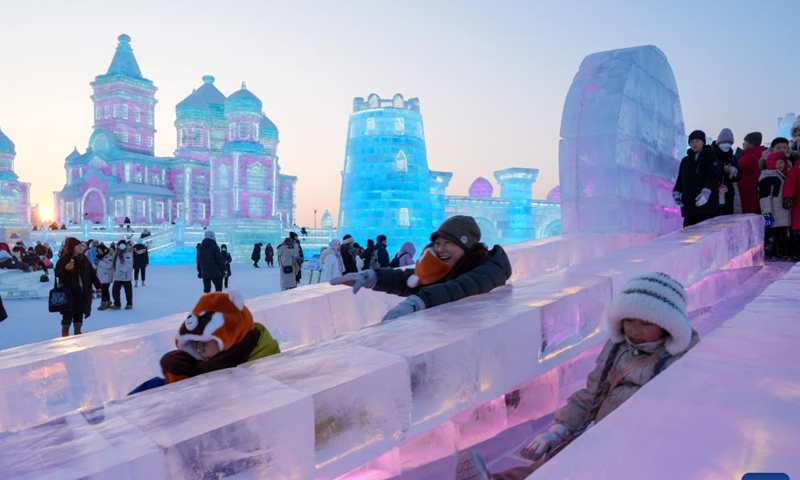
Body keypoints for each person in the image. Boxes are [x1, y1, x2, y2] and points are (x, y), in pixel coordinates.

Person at [455, 272, 700, 480]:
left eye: (646, 323)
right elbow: (590, 395)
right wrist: (560, 430)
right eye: (629, 320)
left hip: (630, 446)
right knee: (545, 467)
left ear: (668, 324)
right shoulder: (617, 348)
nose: (635, 329)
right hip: (597, 433)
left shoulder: (677, 361)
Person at [331, 215, 512, 322]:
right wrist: (374, 277)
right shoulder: (450, 267)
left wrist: (417, 302)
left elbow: (461, 288)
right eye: (437, 243)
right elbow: (413, 278)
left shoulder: (491, 269)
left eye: (448, 243)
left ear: (466, 245)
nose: (440, 249)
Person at [128, 289, 280, 394]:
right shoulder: (213, 363)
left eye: (202, 344)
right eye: (194, 345)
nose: (199, 351)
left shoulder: (260, 367)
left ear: (230, 339)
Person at [673, 130, 722, 227]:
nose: (694, 144)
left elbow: (713, 177)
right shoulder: (685, 161)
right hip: (689, 207)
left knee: (704, 236)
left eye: (697, 141)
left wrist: (706, 193)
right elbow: (680, 179)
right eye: (691, 142)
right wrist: (677, 192)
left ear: (703, 141)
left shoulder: (711, 157)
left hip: (706, 208)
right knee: (687, 237)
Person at [54, 237, 101, 337]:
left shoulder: (83, 258)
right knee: (68, 314)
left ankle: (78, 333)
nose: (81, 248)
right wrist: (65, 269)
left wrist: (98, 286)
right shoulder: (64, 259)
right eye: (78, 246)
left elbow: (92, 273)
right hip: (69, 293)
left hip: (82, 292)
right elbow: (58, 274)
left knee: (79, 313)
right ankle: (65, 333)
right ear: (72, 247)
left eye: (81, 246)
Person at [758, 152, 791, 259]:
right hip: (775, 214)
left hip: (782, 214)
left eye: (782, 162)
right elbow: (765, 197)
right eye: (776, 163)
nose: (779, 165)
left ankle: (780, 253)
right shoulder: (769, 177)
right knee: (773, 235)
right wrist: (767, 213)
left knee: (782, 235)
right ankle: (771, 253)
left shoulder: (782, 176)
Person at [711, 128, 739, 215]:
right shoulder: (710, 155)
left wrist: (735, 172)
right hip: (712, 195)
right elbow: (709, 172)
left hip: (728, 195)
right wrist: (723, 170)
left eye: (730, 142)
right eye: (724, 142)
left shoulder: (732, 157)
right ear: (718, 142)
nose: (727, 144)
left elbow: (739, 176)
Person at [737, 132, 766, 215]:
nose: (743, 143)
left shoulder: (750, 156)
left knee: (749, 216)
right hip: (754, 191)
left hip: (748, 191)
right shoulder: (759, 154)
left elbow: (737, 167)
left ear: (752, 143)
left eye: (745, 141)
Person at [110, 240, 134, 310]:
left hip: (126, 276)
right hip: (118, 276)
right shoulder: (117, 253)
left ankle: (129, 304)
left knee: (128, 291)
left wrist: (122, 271)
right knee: (115, 290)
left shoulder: (128, 253)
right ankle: (117, 304)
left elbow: (128, 264)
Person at [95, 243, 113, 310]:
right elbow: (96, 266)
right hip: (101, 276)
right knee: (105, 289)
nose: (99, 252)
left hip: (107, 276)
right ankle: (108, 302)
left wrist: (99, 262)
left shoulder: (109, 256)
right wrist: (95, 263)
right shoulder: (98, 256)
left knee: (104, 289)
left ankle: (103, 303)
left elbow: (109, 266)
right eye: (98, 250)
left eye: (100, 250)